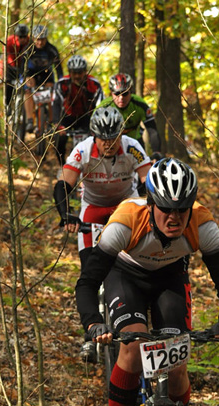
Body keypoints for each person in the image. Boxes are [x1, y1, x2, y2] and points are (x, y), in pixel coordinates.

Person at [75, 158, 219, 406]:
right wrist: (92, 322)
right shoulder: (126, 220)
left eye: (182, 209)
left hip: (170, 278)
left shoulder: (202, 224)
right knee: (133, 347)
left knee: (177, 366)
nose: (175, 217)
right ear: (151, 203)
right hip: (125, 276)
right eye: (166, 208)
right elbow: (88, 281)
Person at [54, 106, 151, 362]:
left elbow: (147, 180)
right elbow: (63, 183)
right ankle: (90, 333)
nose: (109, 143)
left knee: (135, 262)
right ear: (94, 136)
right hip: (93, 209)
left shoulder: (132, 147)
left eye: (114, 138)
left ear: (122, 134)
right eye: (104, 138)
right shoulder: (83, 150)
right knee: (90, 270)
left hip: (126, 206)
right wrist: (66, 216)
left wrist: (148, 206)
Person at [53, 54, 104, 165]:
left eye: (80, 72)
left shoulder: (94, 84)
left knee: (95, 142)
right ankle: (62, 165)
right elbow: (56, 104)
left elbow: (100, 106)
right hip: (67, 117)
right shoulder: (62, 84)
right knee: (58, 141)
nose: (77, 76)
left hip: (86, 117)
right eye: (74, 73)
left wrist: (97, 125)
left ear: (85, 71)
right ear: (69, 73)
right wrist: (58, 124)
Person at [98, 73, 161, 155]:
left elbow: (152, 130)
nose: (121, 98)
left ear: (131, 91)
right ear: (111, 93)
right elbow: (94, 133)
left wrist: (156, 152)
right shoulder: (103, 107)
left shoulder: (139, 104)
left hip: (135, 142)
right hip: (112, 144)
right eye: (117, 94)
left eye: (125, 93)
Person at [24, 25, 63, 132]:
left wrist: (61, 82)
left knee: (51, 94)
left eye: (42, 40)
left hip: (47, 76)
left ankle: (51, 122)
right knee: (28, 91)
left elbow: (58, 68)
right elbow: (22, 67)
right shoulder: (28, 49)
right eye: (37, 39)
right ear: (33, 38)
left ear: (46, 39)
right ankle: (30, 121)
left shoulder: (52, 50)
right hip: (31, 74)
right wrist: (24, 78)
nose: (40, 43)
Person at [0, 24, 30, 108]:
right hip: (10, 66)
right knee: (8, 84)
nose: (22, 39)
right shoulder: (9, 41)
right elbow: (7, 57)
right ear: (16, 36)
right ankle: (7, 106)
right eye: (20, 37)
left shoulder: (30, 42)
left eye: (24, 37)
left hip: (23, 67)